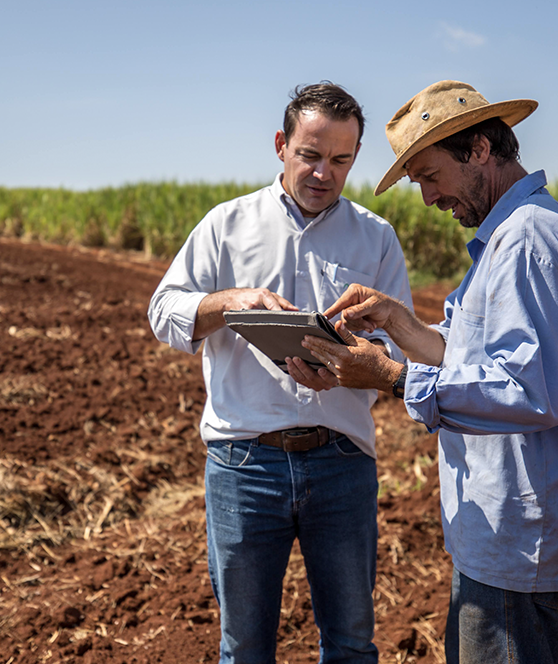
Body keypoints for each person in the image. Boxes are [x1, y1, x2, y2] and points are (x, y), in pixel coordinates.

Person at [300, 80, 558, 663]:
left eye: (430, 176)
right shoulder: (509, 236)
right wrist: (400, 324)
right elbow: (482, 354)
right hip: (497, 535)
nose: (429, 198)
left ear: (481, 150)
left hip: (516, 540)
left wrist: (392, 376)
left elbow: (530, 389)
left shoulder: (527, 240)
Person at [148, 82, 412, 663]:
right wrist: (230, 302)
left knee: (351, 644)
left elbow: (403, 353)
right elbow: (163, 313)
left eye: (341, 160)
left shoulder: (377, 238)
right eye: (310, 155)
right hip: (244, 465)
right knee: (244, 650)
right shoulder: (225, 225)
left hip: (342, 462)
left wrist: (355, 367)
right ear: (280, 145)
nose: (324, 173)